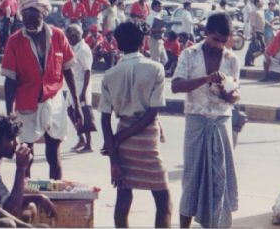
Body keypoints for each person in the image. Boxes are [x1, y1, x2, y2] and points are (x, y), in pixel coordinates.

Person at [1, 0, 82, 180]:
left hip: (54, 102)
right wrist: (9, 113)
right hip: (26, 103)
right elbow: (10, 81)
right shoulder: (14, 41)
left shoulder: (58, 36)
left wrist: (77, 104)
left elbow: (68, 71)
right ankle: (25, 193)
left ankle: (55, 191)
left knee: (53, 155)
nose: (29, 22)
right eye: (26, 18)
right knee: (26, 156)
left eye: (34, 17)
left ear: (42, 15)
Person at [99, 21, 171, 228]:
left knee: (123, 194)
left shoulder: (109, 75)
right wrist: (117, 139)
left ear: (118, 44)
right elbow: (152, 113)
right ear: (143, 42)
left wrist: (114, 155)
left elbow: (105, 120)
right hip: (147, 138)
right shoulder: (156, 68)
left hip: (122, 140)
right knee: (164, 200)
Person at [171, 13, 240, 228]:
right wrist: (205, 79)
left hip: (221, 120)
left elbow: (235, 95)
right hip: (197, 120)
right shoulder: (190, 54)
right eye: (215, 39)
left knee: (220, 177)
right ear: (206, 33)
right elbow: (176, 86)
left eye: (223, 41)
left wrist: (226, 92)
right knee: (192, 177)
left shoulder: (232, 59)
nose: (219, 45)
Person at [0, 114, 57, 222]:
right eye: (11, 138)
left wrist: (39, 198)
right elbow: (10, 211)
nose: (16, 143)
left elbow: (3, 199)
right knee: (18, 218)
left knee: (30, 207)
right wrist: (21, 168)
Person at [65, 24, 96, 153]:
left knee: (84, 114)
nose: (68, 39)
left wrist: (83, 91)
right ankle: (81, 138)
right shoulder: (74, 48)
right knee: (70, 111)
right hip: (74, 84)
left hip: (82, 85)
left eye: (70, 37)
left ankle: (89, 144)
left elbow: (87, 71)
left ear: (76, 35)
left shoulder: (83, 49)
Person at [245, 0, 266, 67]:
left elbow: (263, 20)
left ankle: (249, 61)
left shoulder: (261, 10)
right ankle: (249, 60)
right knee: (262, 47)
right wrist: (254, 33)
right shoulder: (253, 11)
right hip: (256, 32)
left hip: (261, 31)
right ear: (257, 3)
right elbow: (253, 23)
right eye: (260, 1)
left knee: (254, 47)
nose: (262, 2)